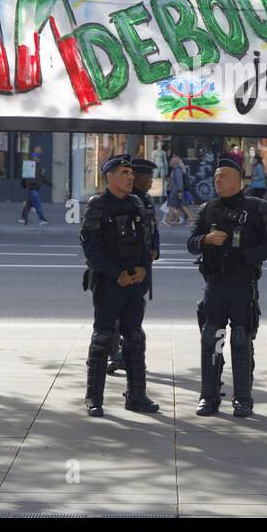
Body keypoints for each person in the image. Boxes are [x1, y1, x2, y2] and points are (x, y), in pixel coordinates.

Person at [188, 157, 267, 418]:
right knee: (211, 339)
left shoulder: (257, 207)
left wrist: (246, 257)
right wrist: (205, 239)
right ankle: (209, 396)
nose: (218, 180)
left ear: (239, 179)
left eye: (224, 176)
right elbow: (191, 242)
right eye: (216, 176)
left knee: (241, 341)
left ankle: (243, 399)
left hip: (243, 284)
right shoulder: (208, 209)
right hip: (215, 285)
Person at [79, 154, 158, 418]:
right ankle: (94, 397)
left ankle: (136, 396)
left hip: (134, 283)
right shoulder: (97, 206)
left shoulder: (137, 203)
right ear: (109, 176)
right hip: (109, 284)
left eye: (130, 173)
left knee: (135, 337)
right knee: (102, 339)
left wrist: (143, 268)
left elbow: (147, 243)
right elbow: (91, 248)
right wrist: (116, 274)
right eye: (124, 173)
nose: (130, 177)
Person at [108, 158, 160, 376]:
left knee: (133, 317)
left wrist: (155, 250)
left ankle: (130, 357)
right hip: (122, 267)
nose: (151, 182)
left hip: (141, 268)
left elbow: (152, 230)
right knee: (114, 316)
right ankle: (115, 355)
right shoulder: (124, 200)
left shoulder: (145, 200)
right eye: (148, 178)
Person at [19, 150, 50, 226]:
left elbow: (41, 178)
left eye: (38, 158)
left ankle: (23, 218)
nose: (38, 159)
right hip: (33, 189)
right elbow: (29, 178)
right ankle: (43, 219)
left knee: (28, 205)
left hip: (33, 188)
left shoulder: (37, 167)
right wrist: (34, 183)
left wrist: (50, 184)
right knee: (38, 205)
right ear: (34, 159)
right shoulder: (32, 167)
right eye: (37, 158)